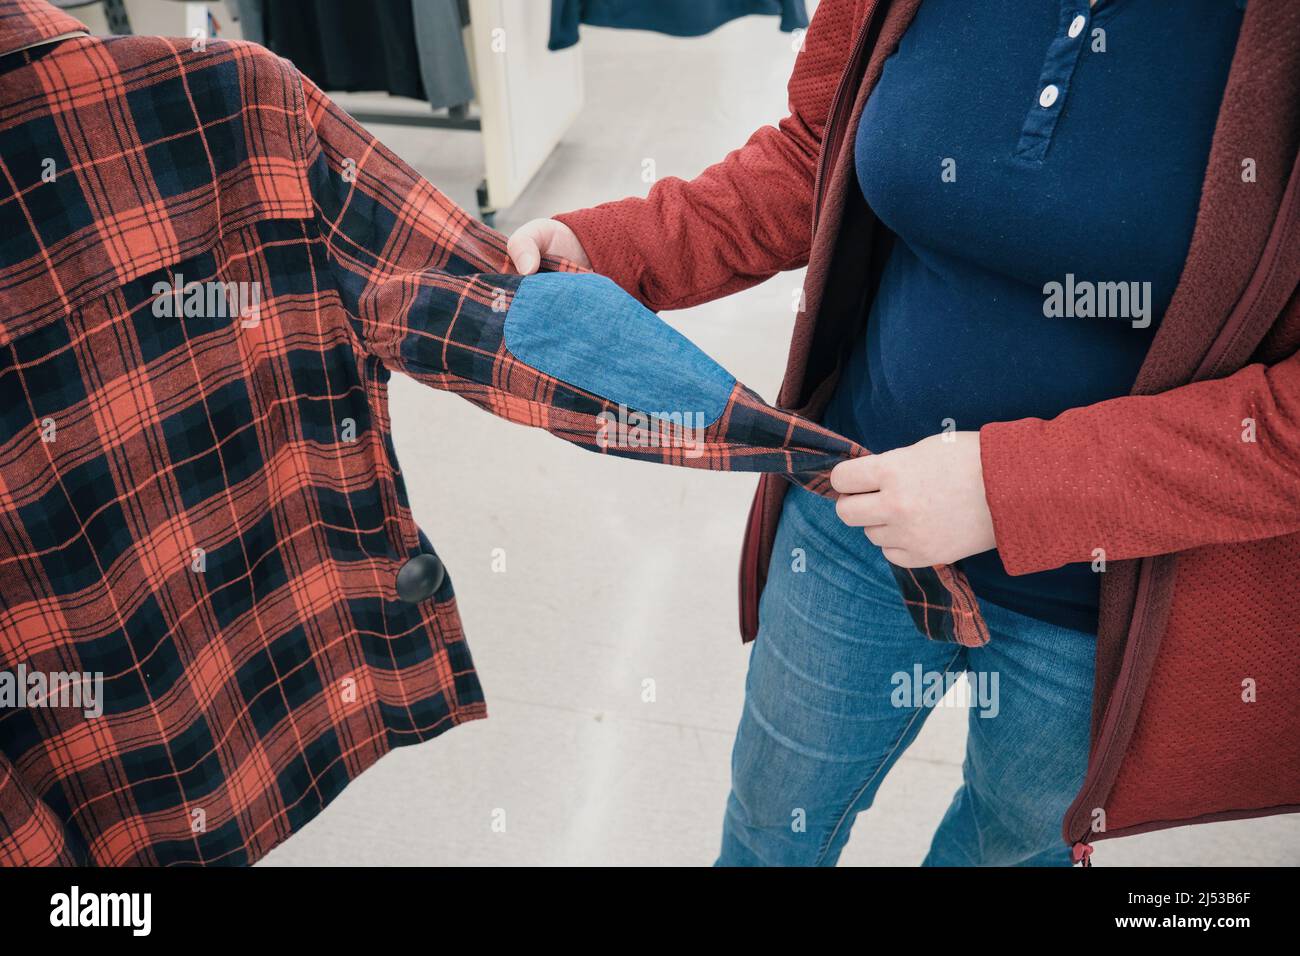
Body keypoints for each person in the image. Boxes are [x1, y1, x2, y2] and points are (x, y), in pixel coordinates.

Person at [509, 0, 1300, 865]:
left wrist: (1010, 489)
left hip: (1109, 598)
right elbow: (819, 153)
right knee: (773, 824)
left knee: (1010, 849)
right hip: (851, 514)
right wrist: (617, 248)